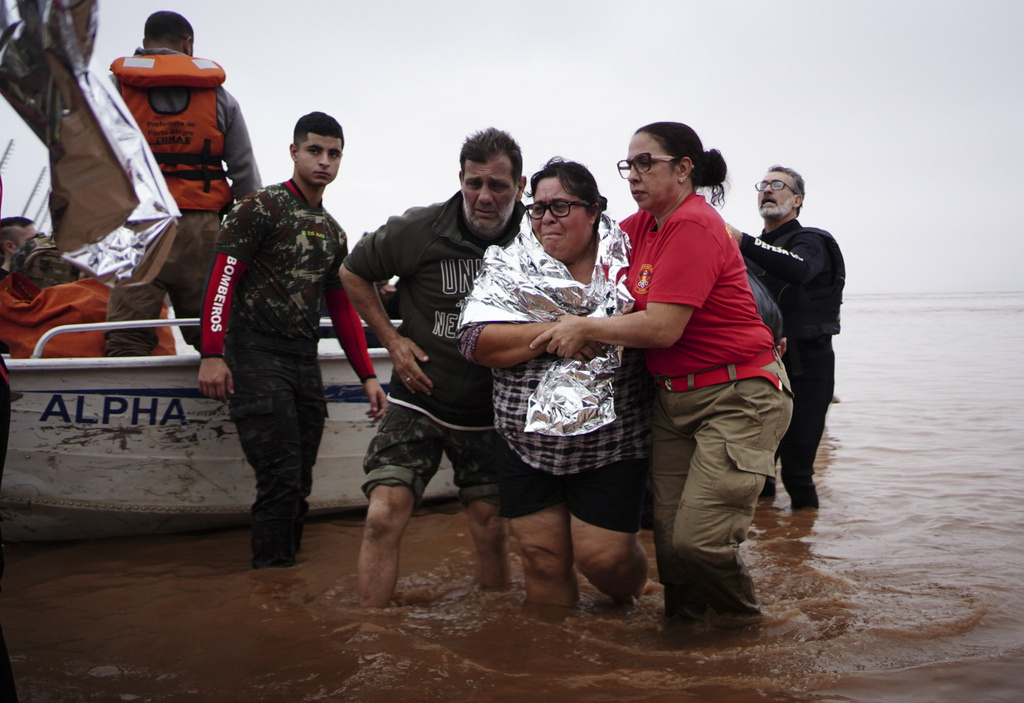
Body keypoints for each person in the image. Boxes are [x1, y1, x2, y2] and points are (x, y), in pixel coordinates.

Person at [531, 122, 793, 620]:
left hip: (740, 394)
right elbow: (585, 245)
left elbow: (664, 328)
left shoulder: (694, 222)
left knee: (700, 544)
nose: (633, 174)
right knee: (672, 552)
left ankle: (747, 633)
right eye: (628, 165)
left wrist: (585, 327)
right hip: (674, 401)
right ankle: (685, 659)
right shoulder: (637, 227)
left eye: (646, 162)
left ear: (684, 169)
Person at [341, 128, 526, 608]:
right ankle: (371, 635)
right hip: (416, 396)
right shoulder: (420, 229)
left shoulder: (537, 238)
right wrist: (393, 341)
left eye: (498, 186)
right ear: (460, 180)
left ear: (520, 187)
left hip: (490, 409)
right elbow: (351, 272)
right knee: (383, 514)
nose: (484, 197)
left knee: (491, 526)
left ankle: (496, 635)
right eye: (474, 183)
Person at [457, 158, 651, 607]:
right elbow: (475, 343)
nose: (546, 218)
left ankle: (635, 608)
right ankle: (555, 668)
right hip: (526, 445)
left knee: (607, 563)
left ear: (595, 210)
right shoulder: (509, 266)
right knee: (542, 560)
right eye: (538, 208)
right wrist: (562, 331)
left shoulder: (631, 264)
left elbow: (663, 323)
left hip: (612, 446)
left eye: (560, 207)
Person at [197, 112, 385, 569]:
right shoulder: (259, 208)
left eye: (333, 153)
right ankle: (273, 583)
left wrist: (367, 374)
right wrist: (211, 354)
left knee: (299, 479)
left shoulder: (334, 232)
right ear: (294, 152)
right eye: (315, 151)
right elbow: (222, 280)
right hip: (256, 354)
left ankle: (284, 585)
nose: (324, 161)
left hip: (304, 361)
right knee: (279, 477)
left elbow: (341, 310)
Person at [106, 10, 261, 356]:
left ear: (145, 44)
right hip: (201, 229)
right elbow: (245, 173)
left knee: (127, 338)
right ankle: (223, 403)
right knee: (216, 336)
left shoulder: (115, 91)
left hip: (138, 227)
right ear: (187, 43)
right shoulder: (220, 96)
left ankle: (126, 405)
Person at [728, 166, 845, 510]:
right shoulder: (749, 252)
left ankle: (803, 553)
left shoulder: (811, 241)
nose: (767, 190)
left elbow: (798, 269)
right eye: (762, 185)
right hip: (763, 367)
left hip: (809, 366)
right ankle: (771, 549)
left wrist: (743, 241)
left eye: (777, 185)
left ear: (797, 200)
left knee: (797, 473)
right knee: (757, 473)